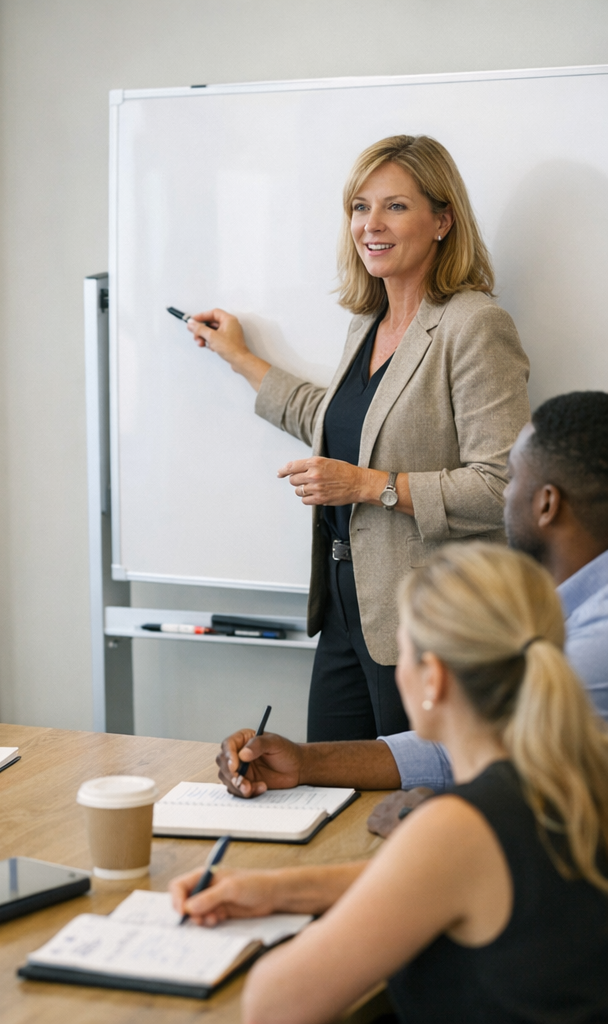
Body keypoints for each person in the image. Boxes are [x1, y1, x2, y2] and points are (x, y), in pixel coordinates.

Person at [172, 544, 608, 1024]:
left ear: (433, 679)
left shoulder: (459, 828)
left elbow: (272, 1004)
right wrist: (278, 890)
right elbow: (438, 881)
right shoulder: (579, 776)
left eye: (401, 650)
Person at [188, 135, 529, 741]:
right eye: (359, 206)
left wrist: (370, 486)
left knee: (406, 806)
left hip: (427, 624)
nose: (371, 224)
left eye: (395, 206)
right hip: (346, 608)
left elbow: (503, 487)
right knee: (328, 791)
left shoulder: (474, 325)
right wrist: (237, 356)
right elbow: (335, 418)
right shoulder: (367, 325)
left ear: (443, 219)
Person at [218, 393, 608, 833]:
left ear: (546, 504)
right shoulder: (565, 607)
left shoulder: (596, 642)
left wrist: (434, 819)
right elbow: (465, 745)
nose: (504, 494)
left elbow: (505, 779)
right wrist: (302, 761)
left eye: (514, 477)